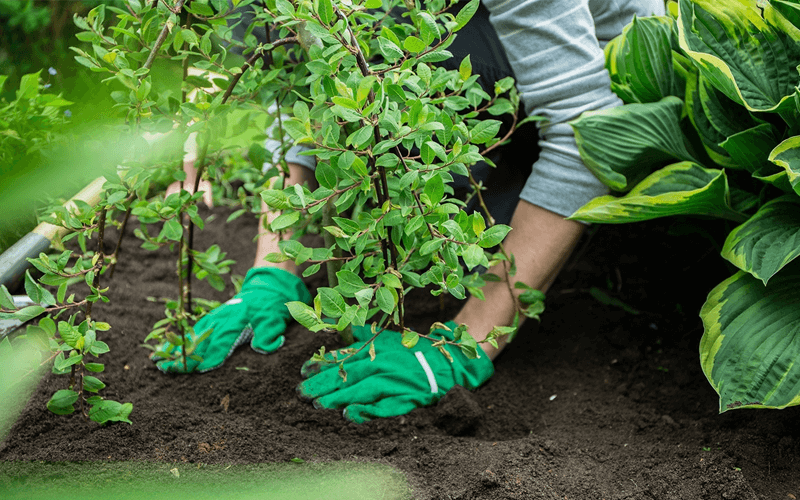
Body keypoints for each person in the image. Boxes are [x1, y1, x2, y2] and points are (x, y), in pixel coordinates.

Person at [156, 0, 666, 423]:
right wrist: (273, 269)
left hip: (608, 91)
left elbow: (589, 134)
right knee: (352, 53)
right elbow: (301, 95)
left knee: (407, 53)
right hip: (486, 88)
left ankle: (503, 198)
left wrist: (469, 340)